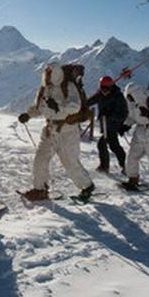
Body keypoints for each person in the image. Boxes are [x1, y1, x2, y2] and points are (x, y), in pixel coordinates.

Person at [18, 63, 95, 202]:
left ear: (56, 73)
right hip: (50, 130)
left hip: (68, 131)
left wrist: (58, 107)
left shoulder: (69, 87)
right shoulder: (45, 88)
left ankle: (87, 186)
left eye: (49, 73)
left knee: (70, 162)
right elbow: (40, 107)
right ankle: (39, 189)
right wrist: (28, 114)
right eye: (46, 73)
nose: (46, 76)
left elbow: (75, 107)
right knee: (40, 159)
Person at [86, 76, 128, 173]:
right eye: (102, 89)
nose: (104, 91)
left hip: (113, 125)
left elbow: (124, 114)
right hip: (105, 124)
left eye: (106, 89)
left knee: (103, 144)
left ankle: (106, 166)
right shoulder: (100, 94)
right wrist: (82, 104)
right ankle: (124, 165)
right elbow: (90, 101)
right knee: (113, 145)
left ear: (111, 87)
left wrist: (111, 114)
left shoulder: (118, 97)